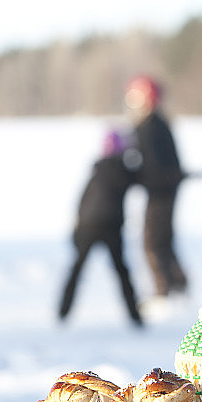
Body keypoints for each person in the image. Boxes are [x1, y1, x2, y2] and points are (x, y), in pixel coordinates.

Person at [58, 130, 143, 326]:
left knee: (77, 269)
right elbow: (142, 177)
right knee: (121, 271)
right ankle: (135, 317)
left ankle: (62, 312)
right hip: (109, 225)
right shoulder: (120, 169)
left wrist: (77, 231)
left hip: (88, 225)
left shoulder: (97, 170)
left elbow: (82, 202)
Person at [125, 75, 188, 296]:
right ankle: (178, 286)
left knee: (154, 242)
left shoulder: (151, 127)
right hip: (163, 189)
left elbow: (152, 164)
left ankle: (165, 291)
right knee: (163, 240)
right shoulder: (157, 124)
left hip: (161, 192)